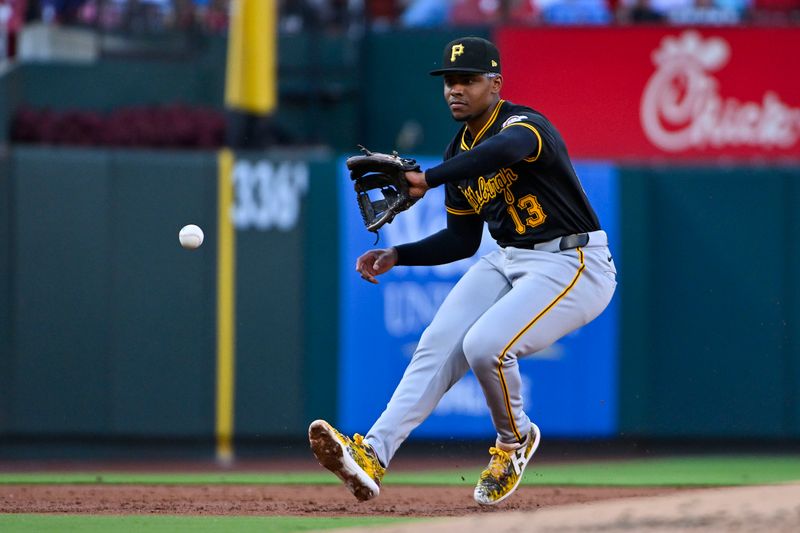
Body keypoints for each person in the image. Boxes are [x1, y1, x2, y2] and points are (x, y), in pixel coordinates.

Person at [309, 36, 617, 506]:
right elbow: (462, 240)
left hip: (573, 261)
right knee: (438, 342)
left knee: (486, 346)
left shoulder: (525, 124)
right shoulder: (458, 154)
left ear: (495, 84)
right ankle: (373, 453)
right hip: (511, 257)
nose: (456, 89)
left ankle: (514, 444)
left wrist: (430, 178)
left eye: (468, 80)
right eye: (450, 81)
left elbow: (506, 150)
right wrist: (399, 254)